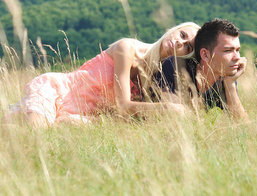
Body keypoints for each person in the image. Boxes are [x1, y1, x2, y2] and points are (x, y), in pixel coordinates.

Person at [3, 22, 200, 127]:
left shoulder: (155, 78)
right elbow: (124, 106)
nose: (180, 43)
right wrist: (167, 108)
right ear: (171, 30)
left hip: (79, 114)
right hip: (58, 91)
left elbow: (121, 117)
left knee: (15, 125)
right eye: (182, 35)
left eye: (188, 47)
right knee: (35, 132)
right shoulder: (128, 48)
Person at [151, 18, 249, 121]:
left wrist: (230, 84)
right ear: (205, 55)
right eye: (228, 50)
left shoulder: (226, 78)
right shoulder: (175, 67)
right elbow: (175, 119)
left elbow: (243, 125)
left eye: (237, 50)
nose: (237, 57)